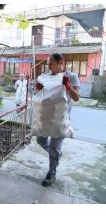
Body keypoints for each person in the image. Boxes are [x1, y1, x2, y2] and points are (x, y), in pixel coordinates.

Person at [35, 53, 80, 187]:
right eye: (48, 65)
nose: (49, 68)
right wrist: (39, 89)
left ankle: (51, 173)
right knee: (40, 139)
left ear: (61, 63)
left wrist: (68, 86)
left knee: (55, 146)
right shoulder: (47, 77)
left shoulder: (70, 77)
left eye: (51, 64)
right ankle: (55, 155)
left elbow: (77, 97)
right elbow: (41, 96)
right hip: (46, 118)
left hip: (60, 120)